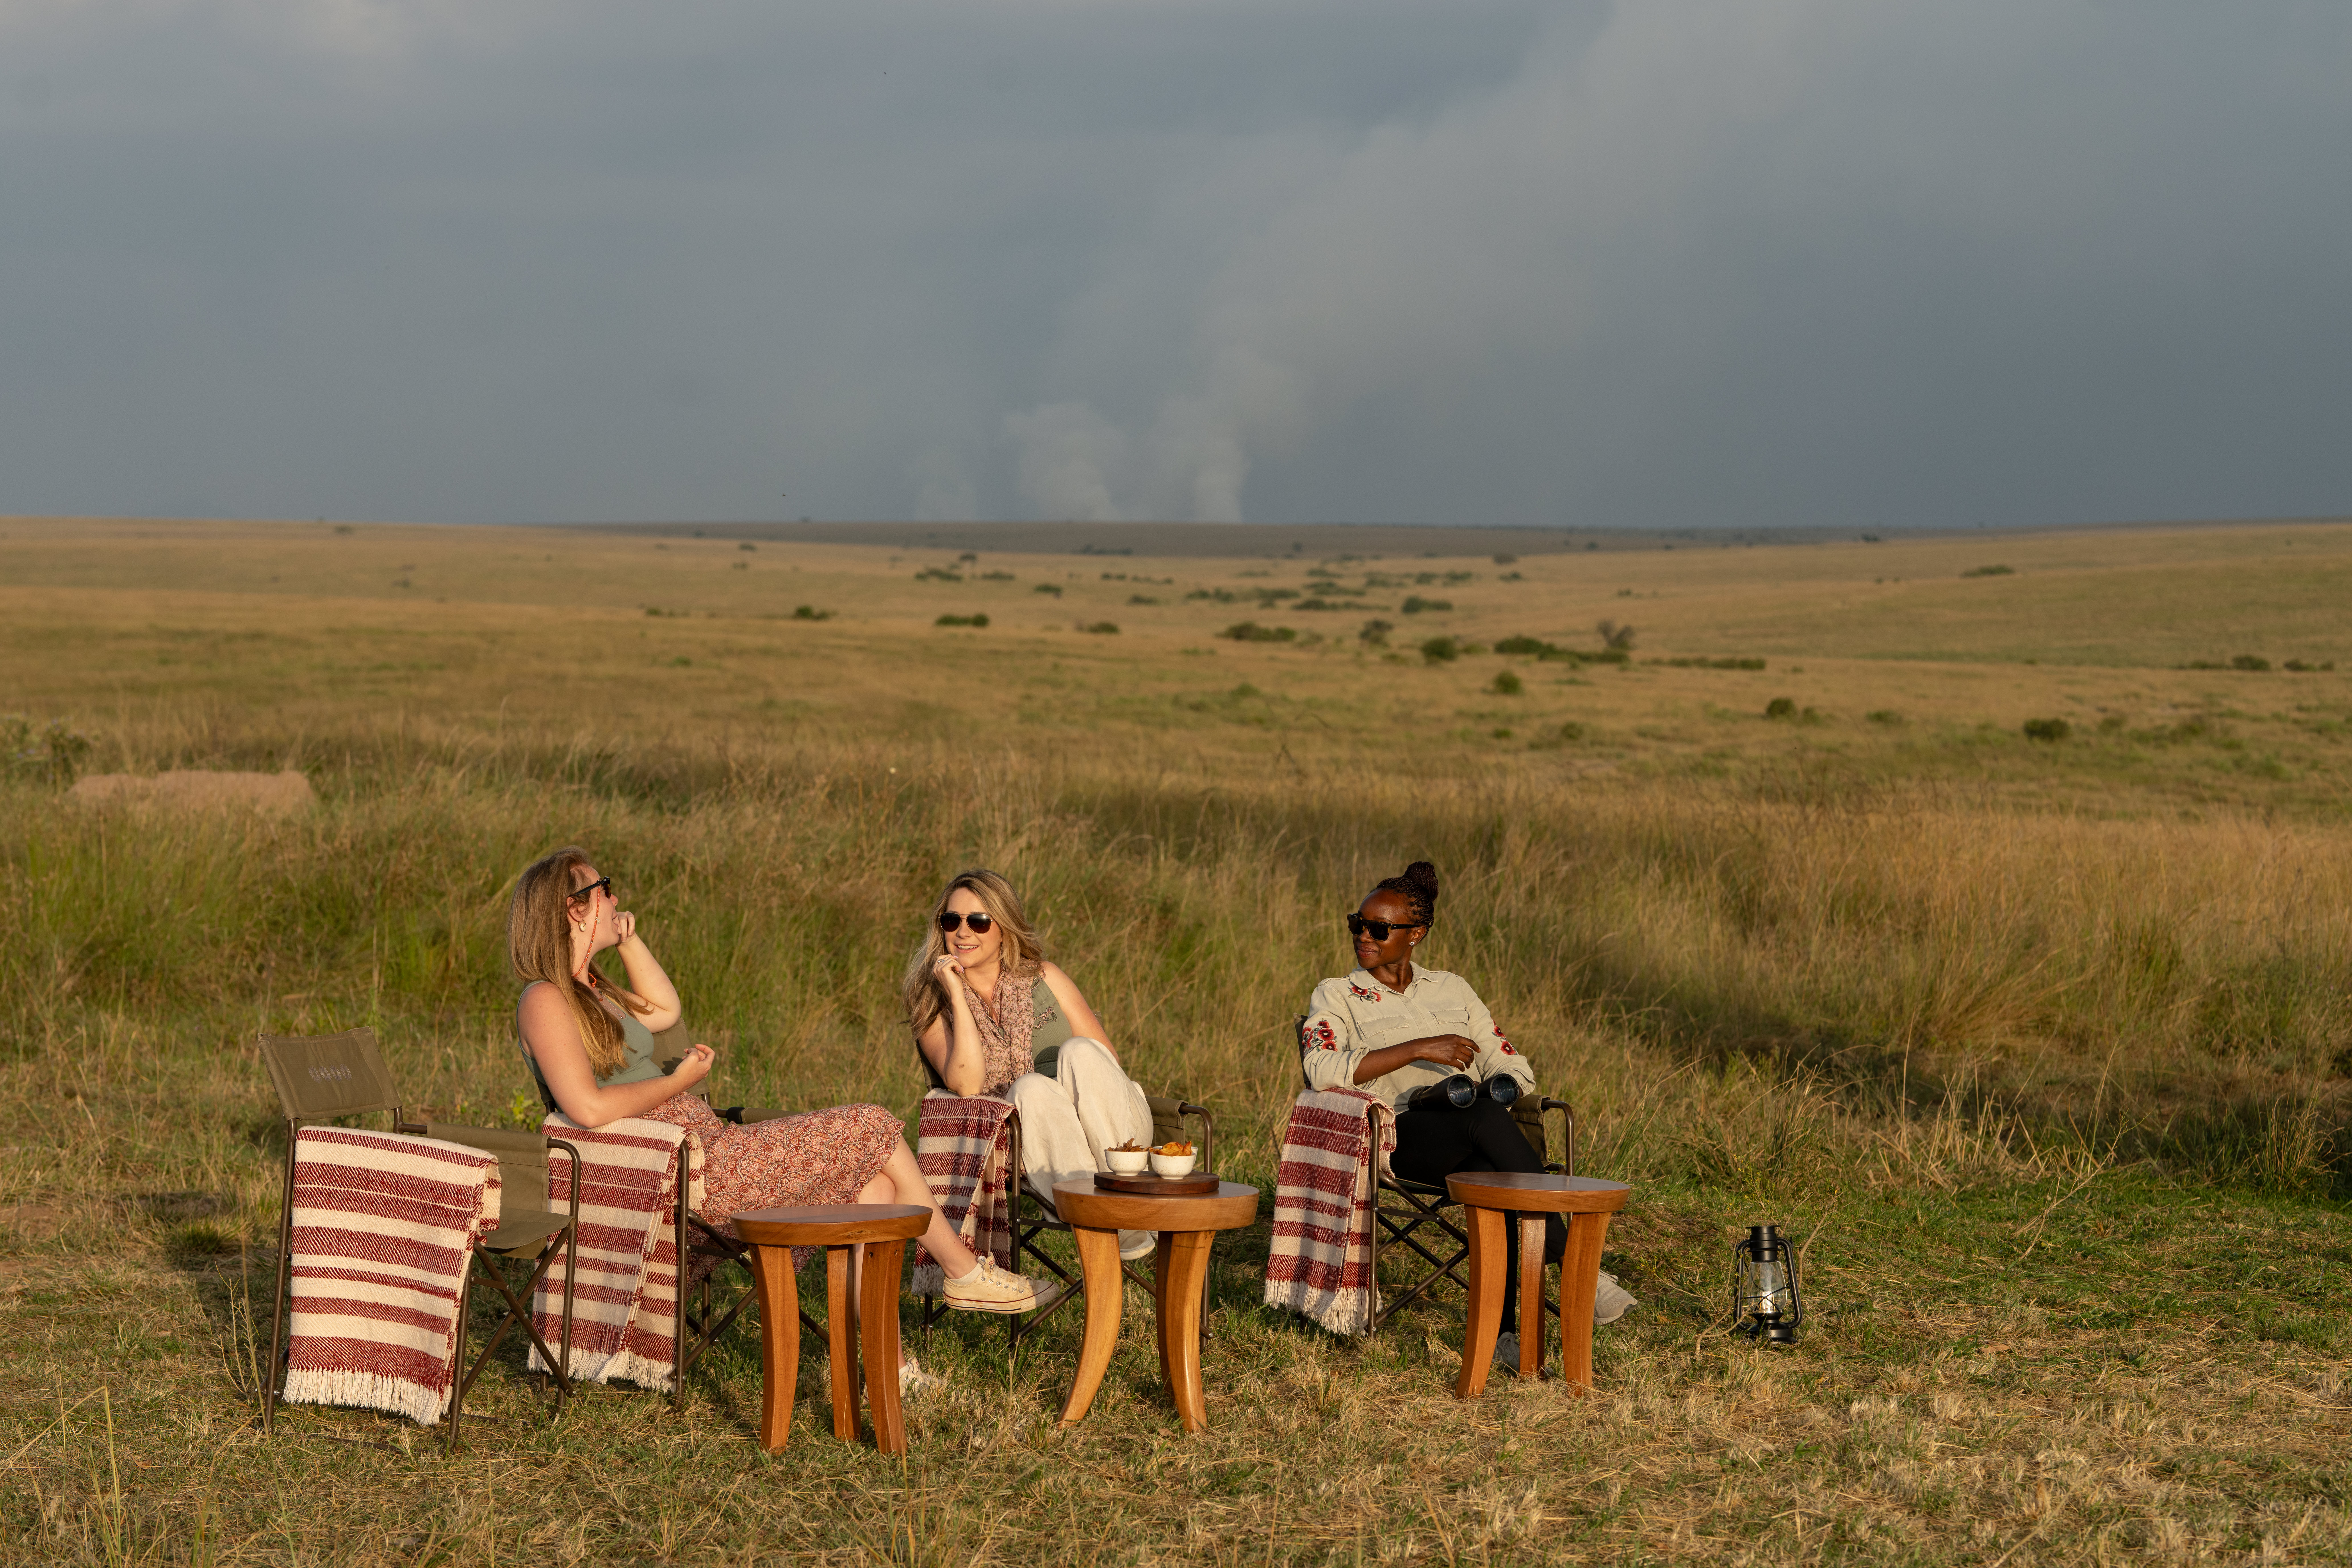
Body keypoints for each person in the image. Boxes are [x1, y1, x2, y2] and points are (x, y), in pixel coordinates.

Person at [509, 846, 1042, 1371]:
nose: (617, 896)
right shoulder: (544, 999)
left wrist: (630, 941)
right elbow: (587, 1106)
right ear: (574, 908)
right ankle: (962, 1270)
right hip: (688, 1174)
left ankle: (890, 1369)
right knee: (873, 1123)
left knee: (874, 1191)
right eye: (605, 889)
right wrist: (679, 1082)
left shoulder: (593, 992)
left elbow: (666, 1011)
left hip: (706, 1151)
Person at [1300, 860, 1633, 1357]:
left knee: (1490, 1174)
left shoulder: (1453, 990)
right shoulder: (1338, 994)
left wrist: (1497, 1083)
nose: (1363, 936)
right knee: (1484, 1122)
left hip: (1474, 1131)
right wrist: (1418, 1048)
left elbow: (1513, 1063)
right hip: (1397, 1134)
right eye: (1358, 923)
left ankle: (1500, 1337)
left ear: (1416, 934)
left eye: (1378, 928)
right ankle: (1575, 1264)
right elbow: (1321, 1068)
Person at [904, 869, 1158, 1261]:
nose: (963, 932)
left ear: (1004, 928)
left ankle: (1124, 1195)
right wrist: (956, 991)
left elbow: (1107, 1067)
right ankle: (1116, 1220)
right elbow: (968, 1083)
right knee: (1030, 1090)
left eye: (979, 921)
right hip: (1035, 1145)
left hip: (1116, 1133)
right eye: (952, 921)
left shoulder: (1047, 977)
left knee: (1080, 1052)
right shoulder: (932, 1003)